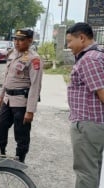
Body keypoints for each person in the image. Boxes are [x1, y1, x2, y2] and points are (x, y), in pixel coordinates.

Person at [0, 28, 43, 163]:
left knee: (21, 134)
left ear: (30, 41)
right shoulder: (12, 54)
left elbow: (35, 85)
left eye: (21, 40)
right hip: (7, 99)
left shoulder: (34, 59)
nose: (17, 42)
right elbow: (7, 78)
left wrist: (30, 110)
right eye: (15, 39)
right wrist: (1, 95)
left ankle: (19, 161)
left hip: (21, 103)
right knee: (0, 126)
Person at [65, 22, 104, 188]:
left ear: (81, 38)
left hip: (88, 123)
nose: (68, 46)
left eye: (69, 41)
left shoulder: (89, 60)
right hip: (92, 123)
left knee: (85, 172)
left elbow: (102, 93)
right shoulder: (98, 55)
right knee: (92, 169)